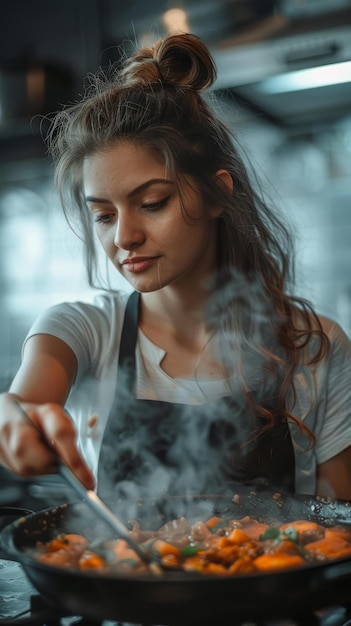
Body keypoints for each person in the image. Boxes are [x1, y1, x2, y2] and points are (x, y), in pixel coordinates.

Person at [0, 32, 351, 501]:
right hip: (119, 575)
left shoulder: (316, 348)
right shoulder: (83, 330)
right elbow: (26, 401)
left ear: (216, 194)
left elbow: (335, 535)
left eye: (152, 203)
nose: (123, 237)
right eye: (103, 215)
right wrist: (17, 420)